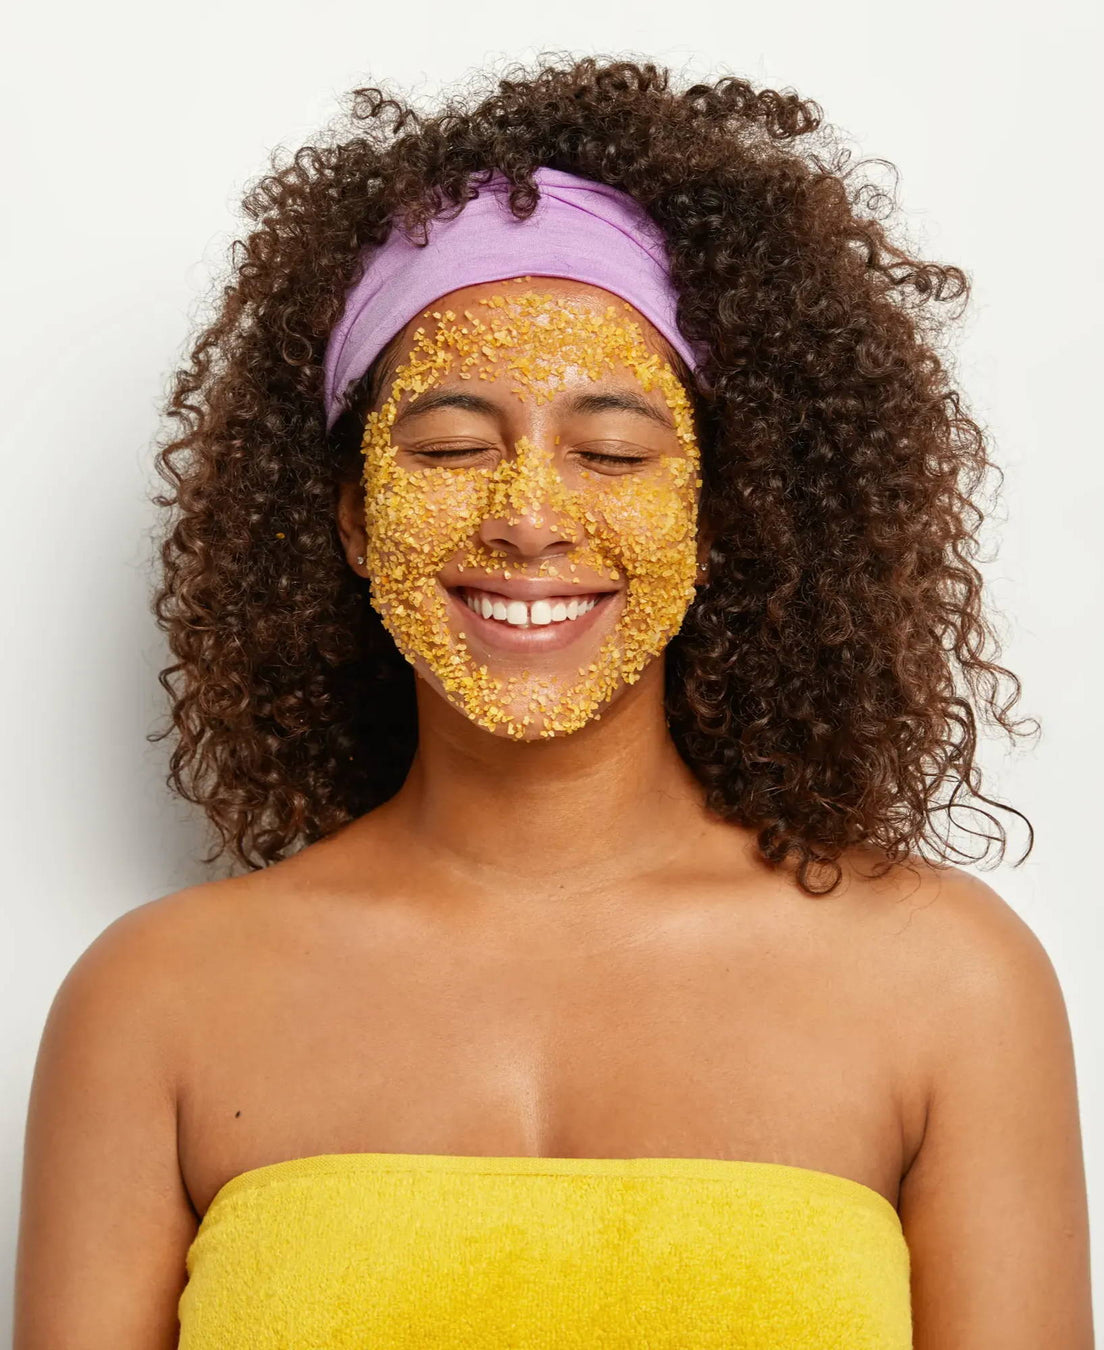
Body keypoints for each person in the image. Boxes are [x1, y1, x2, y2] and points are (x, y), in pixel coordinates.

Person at [13, 56, 1093, 1349]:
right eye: (451, 447)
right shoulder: (152, 1006)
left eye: (614, 451)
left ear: (714, 512)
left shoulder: (950, 985)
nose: (529, 516)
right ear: (354, 517)